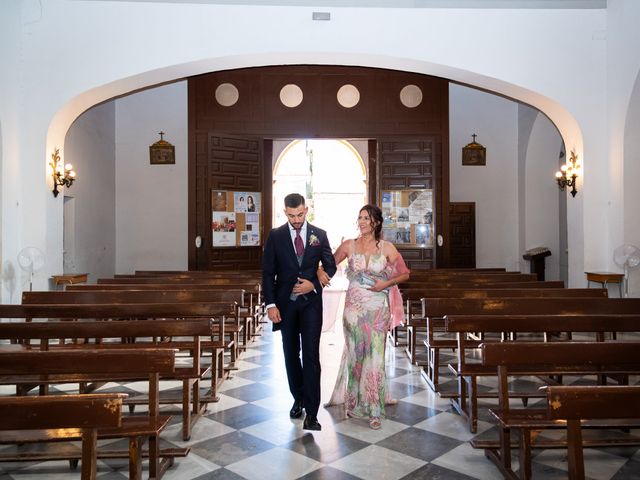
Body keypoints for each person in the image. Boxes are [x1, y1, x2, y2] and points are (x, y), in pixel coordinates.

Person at [319, 204, 410, 430]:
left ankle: (375, 409)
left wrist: (385, 284)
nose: (361, 222)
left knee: (376, 357)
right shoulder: (349, 245)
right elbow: (329, 264)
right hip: (353, 310)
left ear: (376, 222)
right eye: (359, 218)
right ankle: (355, 403)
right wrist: (319, 270)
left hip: (378, 310)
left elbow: (405, 274)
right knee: (356, 356)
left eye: (366, 218)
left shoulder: (387, 248)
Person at [262, 193, 337, 431]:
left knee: (312, 356)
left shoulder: (320, 235)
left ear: (307, 210)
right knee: (290, 354)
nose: (297, 220)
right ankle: (298, 398)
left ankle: (312, 414)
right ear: (285, 212)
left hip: (311, 305)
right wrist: (271, 305)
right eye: (292, 215)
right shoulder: (275, 236)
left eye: (300, 214)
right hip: (286, 305)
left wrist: (313, 283)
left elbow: (331, 266)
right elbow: (267, 273)